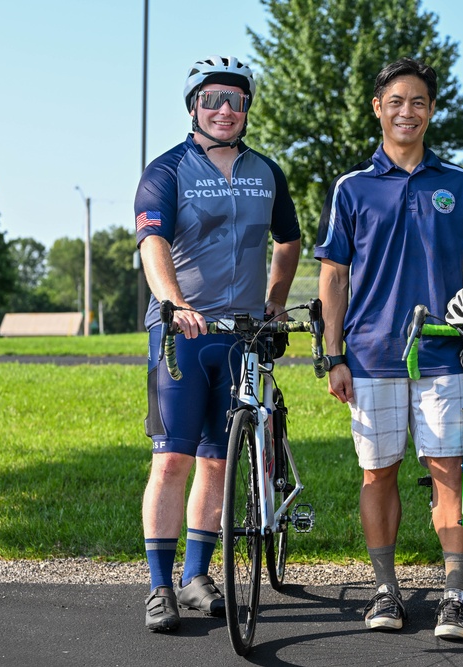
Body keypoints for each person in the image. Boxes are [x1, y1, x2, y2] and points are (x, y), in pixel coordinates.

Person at [314, 57, 463, 640]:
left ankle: (454, 594)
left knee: (449, 472)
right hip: (370, 355)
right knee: (378, 474)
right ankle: (386, 591)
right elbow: (333, 276)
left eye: (417, 102)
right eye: (396, 101)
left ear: (431, 110)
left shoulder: (458, 184)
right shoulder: (352, 188)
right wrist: (333, 353)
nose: (407, 111)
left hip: (446, 354)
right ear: (378, 108)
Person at [135, 55, 301, 632]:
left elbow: (289, 239)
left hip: (243, 336)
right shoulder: (167, 169)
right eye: (212, 100)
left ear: (248, 107)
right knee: (174, 457)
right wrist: (174, 302)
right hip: (182, 336)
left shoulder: (266, 172)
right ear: (192, 108)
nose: (224, 110)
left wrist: (277, 297)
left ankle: (198, 575)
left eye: (235, 99)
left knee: (216, 459)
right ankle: (160, 586)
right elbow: (152, 243)